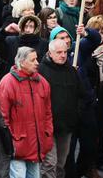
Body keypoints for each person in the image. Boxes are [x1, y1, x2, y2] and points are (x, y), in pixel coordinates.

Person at [0, 47, 54, 178]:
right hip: (17, 146)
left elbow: (48, 113)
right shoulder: (8, 82)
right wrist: (9, 141)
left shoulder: (42, 82)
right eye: (33, 60)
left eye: (36, 59)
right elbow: (1, 117)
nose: (37, 63)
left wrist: (47, 134)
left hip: (36, 144)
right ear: (21, 62)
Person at [38, 38, 82, 178]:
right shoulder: (40, 71)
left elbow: (80, 94)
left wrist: (76, 114)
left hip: (66, 125)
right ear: (50, 53)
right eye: (59, 52)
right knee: (50, 163)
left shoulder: (71, 71)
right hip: (47, 126)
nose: (63, 55)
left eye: (65, 52)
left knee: (61, 163)